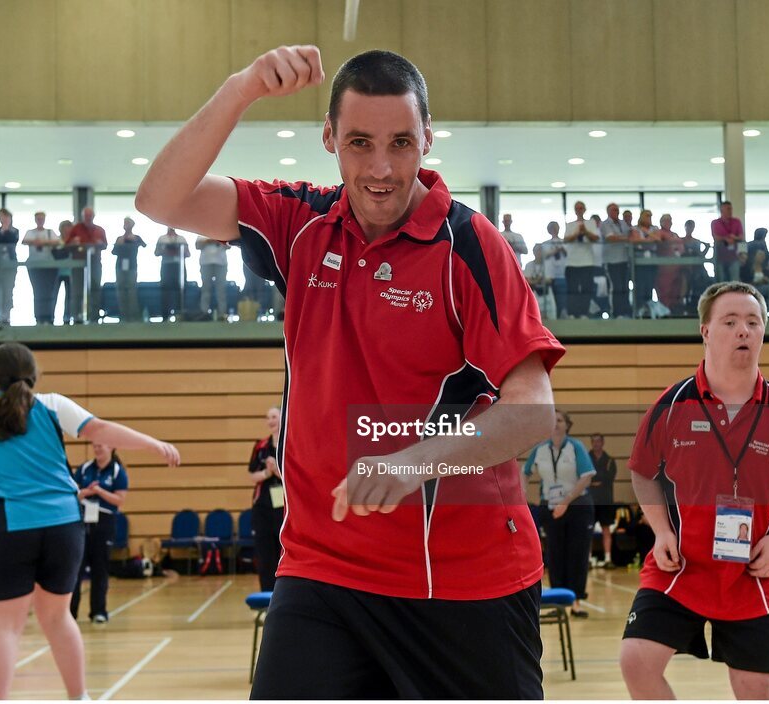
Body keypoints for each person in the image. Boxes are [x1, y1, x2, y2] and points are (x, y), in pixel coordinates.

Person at [135, 45, 563, 699]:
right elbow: (160, 199)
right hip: (323, 570)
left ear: (427, 139)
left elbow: (531, 408)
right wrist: (240, 89)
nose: (382, 168)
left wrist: (411, 463)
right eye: (359, 142)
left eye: (400, 143)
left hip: (461, 579)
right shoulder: (299, 223)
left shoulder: (471, 247)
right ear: (329, 137)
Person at [619, 281, 769, 699]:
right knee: (636, 660)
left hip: (752, 572)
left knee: (755, 688)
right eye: (730, 322)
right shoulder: (672, 404)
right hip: (681, 565)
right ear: (705, 332)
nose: (743, 331)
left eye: (753, 322)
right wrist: (661, 530)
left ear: (764, 332)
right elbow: (643, 472)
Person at [0, 342, 179, 699]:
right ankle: (79, 697)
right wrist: (153, 444)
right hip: (63, 525)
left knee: (4, 627)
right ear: (33, 374)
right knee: (58, 618)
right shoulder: (52, 405)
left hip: (13, 524)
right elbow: (101, 429)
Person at [523, 411, 594, 617]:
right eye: (552, 419)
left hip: (577, 506)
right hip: (551, 507)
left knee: (577, 554)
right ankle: (558, 602)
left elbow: (586, 477)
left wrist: (565, 502)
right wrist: (521, 494)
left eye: (560, 420)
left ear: (567, 425)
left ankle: (576, 601)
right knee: (554, 554)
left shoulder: (575, 447)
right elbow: (525, 472)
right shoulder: (540, 449)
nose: (555, 423)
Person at [70, 441, 129, 624]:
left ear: (111, 447)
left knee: (100, 569)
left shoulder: (118, 472)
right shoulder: (85, 469)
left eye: (101, 446)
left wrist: (100, 491)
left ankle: (99, 611)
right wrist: (86, 492)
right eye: (94, 446)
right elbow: (73, 492)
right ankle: (70, 613)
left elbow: (119, 500)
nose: (97, 449)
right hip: (82, 520)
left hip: (104, 522)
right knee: (75, 570)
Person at [248, 407, 284, 591]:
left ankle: (281, 593)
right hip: (262, 507)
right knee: (264, 554)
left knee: (282, 551)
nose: (270, 421)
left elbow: (293, 476)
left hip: (284, 508)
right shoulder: (260, 446)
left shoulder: (290, 443)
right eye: (267, 417)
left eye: (274, 417)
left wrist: (277, 471)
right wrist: (267, 472)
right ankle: (266, 594)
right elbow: (252, 475)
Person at [65, 207, 107, 323]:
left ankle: (93, 316)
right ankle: (77, 316)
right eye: (86, 216)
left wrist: (100, 244)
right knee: (77, 290)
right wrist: (73, 243)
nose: (88, 218)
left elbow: (105, 245)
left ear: (93, 216)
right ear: (83, 216)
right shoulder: (75, 229)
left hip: (95, 263)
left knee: (95, 288)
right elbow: (67, 245)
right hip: (78, 263)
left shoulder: (100, 230)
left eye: (90, 216)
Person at [23, 212, 62, 324]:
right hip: (34, 265)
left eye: (42, 218)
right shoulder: (30, 232)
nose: (40, 220)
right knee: (37, 291)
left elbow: (57, 242)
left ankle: (49, 316)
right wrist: (35, 242)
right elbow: (24, 241)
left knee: (49, 291)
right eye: (38, 219)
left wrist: (44, 242)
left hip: (49, 266)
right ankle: (39, 316)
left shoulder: (50, 232)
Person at [563, 201, 600, 318]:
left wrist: (585, 231)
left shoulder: (591, 223)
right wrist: (577, 232)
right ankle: (573, 313)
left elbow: (595, 238)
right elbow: (566, 239)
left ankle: (584, 312)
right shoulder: (569, 225)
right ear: (574, 210)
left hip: (587, 262)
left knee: (586, 289)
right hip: (572, 262)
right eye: (577, 208)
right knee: (572, 289)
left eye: (581, 208)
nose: (579, 210)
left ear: (584, 210)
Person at [588, 433, 618, 569]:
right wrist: (597, 479)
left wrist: (595, 479)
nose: (596, 444)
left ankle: (608, 558)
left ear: (603, 442)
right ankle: (587, 559)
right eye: (593, 441)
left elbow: (608, 478)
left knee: (606, 529)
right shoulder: (586, 459)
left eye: (598, 441)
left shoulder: (610, 460)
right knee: (588, 530)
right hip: (590, 500)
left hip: (606, 500)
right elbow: (585, 477)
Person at [112, 218, 147, 322]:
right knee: (120, 289)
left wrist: (134, 241)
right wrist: (119, 243)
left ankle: (133, 315)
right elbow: (113, 252)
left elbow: (144, 245)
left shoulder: (136, 237)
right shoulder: (119, 238)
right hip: (120, 266)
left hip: (132, 266)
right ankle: (123, 315)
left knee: (132, 290)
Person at [0, 208, 20, 325]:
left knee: (8, 288)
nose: (2, 219)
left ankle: (6, 315)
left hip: (10, 263)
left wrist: (6, 230)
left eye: (4, 217)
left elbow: (11, 240)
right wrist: (2, 231)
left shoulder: (15, 231)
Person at [601, 203, 632, 317]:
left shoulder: (623, 223)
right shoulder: (605, 224)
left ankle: (625, 310)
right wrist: (625, 238)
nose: (616, 212)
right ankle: (617, 311)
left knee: (625, 287)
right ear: (608, 211)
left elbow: (631, 235)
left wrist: (624, 238)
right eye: (614, 210)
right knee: (616, 287)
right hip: (612, 261)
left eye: (617, 210)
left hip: (624, 260)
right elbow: (611, 238)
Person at [155, 228, 190, 320]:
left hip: (179, 266)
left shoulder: (181, 239)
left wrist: (178, 251)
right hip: (166, 266)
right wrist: (166, 251)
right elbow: (156, 252)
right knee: (166, 290)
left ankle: (180, 314)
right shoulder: (162, 238)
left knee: (180, 290)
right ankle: (165, 315)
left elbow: (188, 253)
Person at [630, 209, 659, 315]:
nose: (648, 218)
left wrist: (646, 233)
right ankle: (639, 308)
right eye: (647, 216)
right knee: (640, 285)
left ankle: (648, 308)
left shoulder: (654, 228)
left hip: (651, 261)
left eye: (650, 216)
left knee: (650, 285)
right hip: (639, 262)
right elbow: (635, 240)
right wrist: (650, 239)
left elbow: (658, 239)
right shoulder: (634, 229)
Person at [540, 220, 569, 318]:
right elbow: (544, 255)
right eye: (552, 228)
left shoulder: (565, 242)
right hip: (551, 275)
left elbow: (568, 254)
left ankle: (562, 313)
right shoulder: (545, 244)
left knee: (562, 296)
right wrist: (555, 250)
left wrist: (562, 249)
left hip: (562, 273)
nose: (554, 230)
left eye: (556, 228)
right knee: (552, 297)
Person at [196, 236, 229, 320]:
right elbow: (197, 246)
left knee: (221, 289)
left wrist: (219, 241)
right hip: (205, 263)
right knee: (205, 289)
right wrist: (208, 241)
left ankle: (222, 314)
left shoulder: (221, 231)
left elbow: (229, 246)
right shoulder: (201, 232)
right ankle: (204, 312)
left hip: (221, 263)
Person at [711, 201, 744, 282]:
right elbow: (715, 237)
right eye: (728, 209)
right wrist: (725, 238)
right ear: (722, 210)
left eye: (731, 209)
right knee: (721, 281)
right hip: (720, 256)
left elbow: (741, 237)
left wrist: (734, 238)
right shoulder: (715, 223)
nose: (731, 211)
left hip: (734, 257)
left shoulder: (737, 222)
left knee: (734, 280)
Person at [55, 220, 75, 325]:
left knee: (70, 297)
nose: (67, 231)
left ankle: (67, 318)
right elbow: (56, 255)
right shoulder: (56, 241)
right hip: (56, 272)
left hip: (70, 272)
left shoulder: (75, 241)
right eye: (65, 229)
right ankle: (51, 318)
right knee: (54, 295)